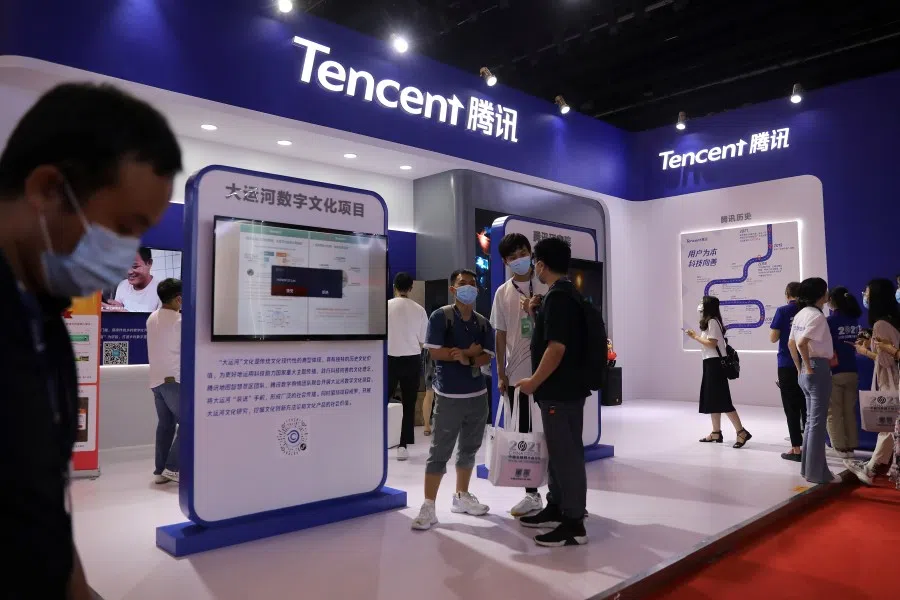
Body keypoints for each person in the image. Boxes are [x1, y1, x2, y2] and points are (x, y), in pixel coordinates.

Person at [0, 83, 181, 598]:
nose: (125, 256)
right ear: (47, 189)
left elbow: (40, 506)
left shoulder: (42, 319)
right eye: (122, 227)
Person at [517, 237, 590, 547]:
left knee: (566, 456)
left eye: (534, 262)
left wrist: (533, 382)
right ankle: (557, 507)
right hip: (567, 390)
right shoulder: (566, 294)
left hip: (559, 392)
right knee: (560, 453)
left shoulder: (558, 298)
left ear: (541, 265)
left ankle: (573, 522)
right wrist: (535, 314)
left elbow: (556, 348)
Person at [412, 269, 495, 531]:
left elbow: (487, 356)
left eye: (472, 284)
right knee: (439, 452)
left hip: (478, 396)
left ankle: (462, 495)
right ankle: (428, 505)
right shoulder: (441, 317)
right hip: (449, 396)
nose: (468, 288)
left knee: (469, 449)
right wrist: (464, 353)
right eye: (462, 284)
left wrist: (468, 357)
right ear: (453, 289)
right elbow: (435, 352)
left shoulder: (483, 323)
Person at [490, 233, 549, 517]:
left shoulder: (546, 286)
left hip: (549, 373)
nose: (519, 260)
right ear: (505, 261)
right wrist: (501, 373)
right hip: (517, 376)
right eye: (512, 257)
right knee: (523, 435)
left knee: (553, 433)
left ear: (531, 253)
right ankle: (531, 494)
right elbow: (500, 335)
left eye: (523, 253)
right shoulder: (502, 293)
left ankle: (561, 495)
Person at [846, 278, 900, 485]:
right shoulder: (894, 319)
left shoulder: (880, 324)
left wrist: (865, 351)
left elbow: (886, 360)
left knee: (888, 423)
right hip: (894, 378)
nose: (864, 296)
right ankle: (874, 465)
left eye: (867, 292)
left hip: (891, 380)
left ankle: (872, 468)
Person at [787, 278, 840, 484]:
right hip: (817, 369)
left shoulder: (801, 314)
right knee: (816, 424)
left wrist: (800, 368)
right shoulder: (817, 316)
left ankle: (809, 470)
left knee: (811, 422)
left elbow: (791, 343)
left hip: (806, 370)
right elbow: (800, 343)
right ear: (820, 294)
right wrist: (808, 367)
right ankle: (818, 473)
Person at [686, 296, 752, 448]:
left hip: (715, 365)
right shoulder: (710, 322)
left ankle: (741, 432)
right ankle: (716, 432)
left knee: (723, 400)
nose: (700, 306)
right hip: (710, 364)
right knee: (713, 400)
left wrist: (695, 337)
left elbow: (711, 343)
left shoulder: (713, 322)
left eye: (702, 303)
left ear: (708, 306)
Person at [387, 272, 428, 461]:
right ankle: (403, 445)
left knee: (382, 402)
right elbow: (423, 339)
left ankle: (378, 440)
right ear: (411, 288)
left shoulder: (385, 306)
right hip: (412, 358)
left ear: (394, 286)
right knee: (409, 404)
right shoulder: (419, 309)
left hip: (388, 358)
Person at [147, 278, 183, 483]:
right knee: (189, 423)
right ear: (179, 298)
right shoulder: (180, 321)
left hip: (156, 381)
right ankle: (173, 468)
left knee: (166, 425)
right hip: (174, 380)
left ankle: (160, 471)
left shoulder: (151, 317)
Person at [770, 282, 806, 461]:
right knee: (807, 405)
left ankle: (796, 449)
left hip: (787, 363)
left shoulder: (783, 311)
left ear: (787, 294)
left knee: (791, 407)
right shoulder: (808, 311)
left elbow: (773, 337)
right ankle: (811, 447)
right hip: (808, 362)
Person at [825, 287, 862, 458]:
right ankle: (851, 447)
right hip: (852, 370)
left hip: (834, 371)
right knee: (849, 411)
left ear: (832, 300)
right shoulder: (854, 320)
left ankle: (840, 448)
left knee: (834, 412)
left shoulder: (830, 321)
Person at [105, 247, 162, 312]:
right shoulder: (122, 285)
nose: (129, 272)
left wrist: (126, 313)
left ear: (149, 263)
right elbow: (119, 309)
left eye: (135, 266)